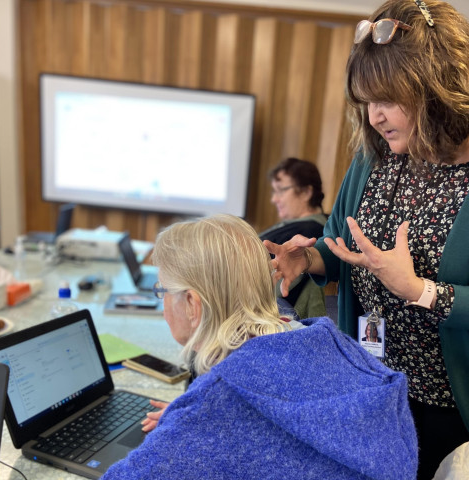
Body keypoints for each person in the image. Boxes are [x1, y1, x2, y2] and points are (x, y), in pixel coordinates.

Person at [264, 1, 469, 478]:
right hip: (372, 384)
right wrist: (308, 260)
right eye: (366, 102)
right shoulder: (375, 158)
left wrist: (421, 291)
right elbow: (339, 244)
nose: (374, 117)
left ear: (437, 88)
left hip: (448, 407)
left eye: (388, 100)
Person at [102, 214, 417, 480]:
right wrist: (191, 419)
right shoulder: (325, 342)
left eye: (163, 291)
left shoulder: (216, 404)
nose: (163, 303)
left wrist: (193, 419)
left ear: (192, 304)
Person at [260, 157, 328, 318]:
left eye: (281, 190)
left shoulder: (310, 232)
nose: (274, 199)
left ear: (306, 192)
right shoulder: (295, 226)